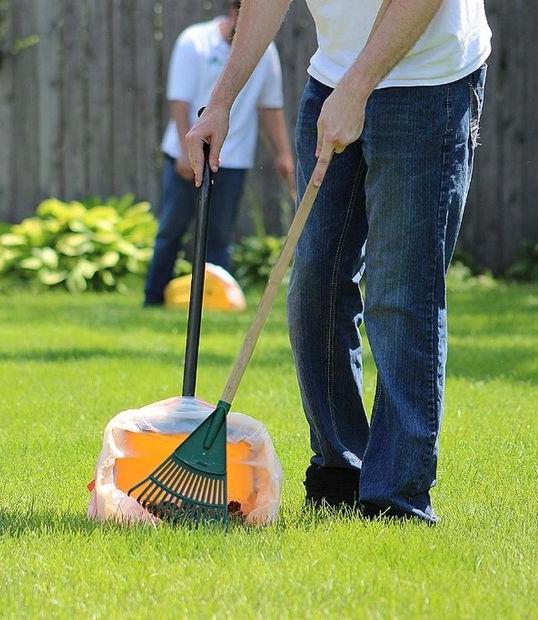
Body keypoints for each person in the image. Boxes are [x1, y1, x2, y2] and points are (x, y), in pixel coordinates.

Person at [186, 0, 490, 523]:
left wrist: (358, 87)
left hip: (429, 83)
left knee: (401, 295)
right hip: (332, 81)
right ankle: (339, 472)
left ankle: (395, 498)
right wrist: (220, 101)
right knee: (314, 286)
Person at [143, 0, 295, 307]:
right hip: (189, 153)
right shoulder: (194, 41)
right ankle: (153, 298)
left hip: (232, 158)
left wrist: (283, 154)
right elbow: (180, 102)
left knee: (220, 234)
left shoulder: (265, 52)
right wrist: (185, 153)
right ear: (233, 11)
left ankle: (216, 302)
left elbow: (270, 107)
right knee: (172, 229)